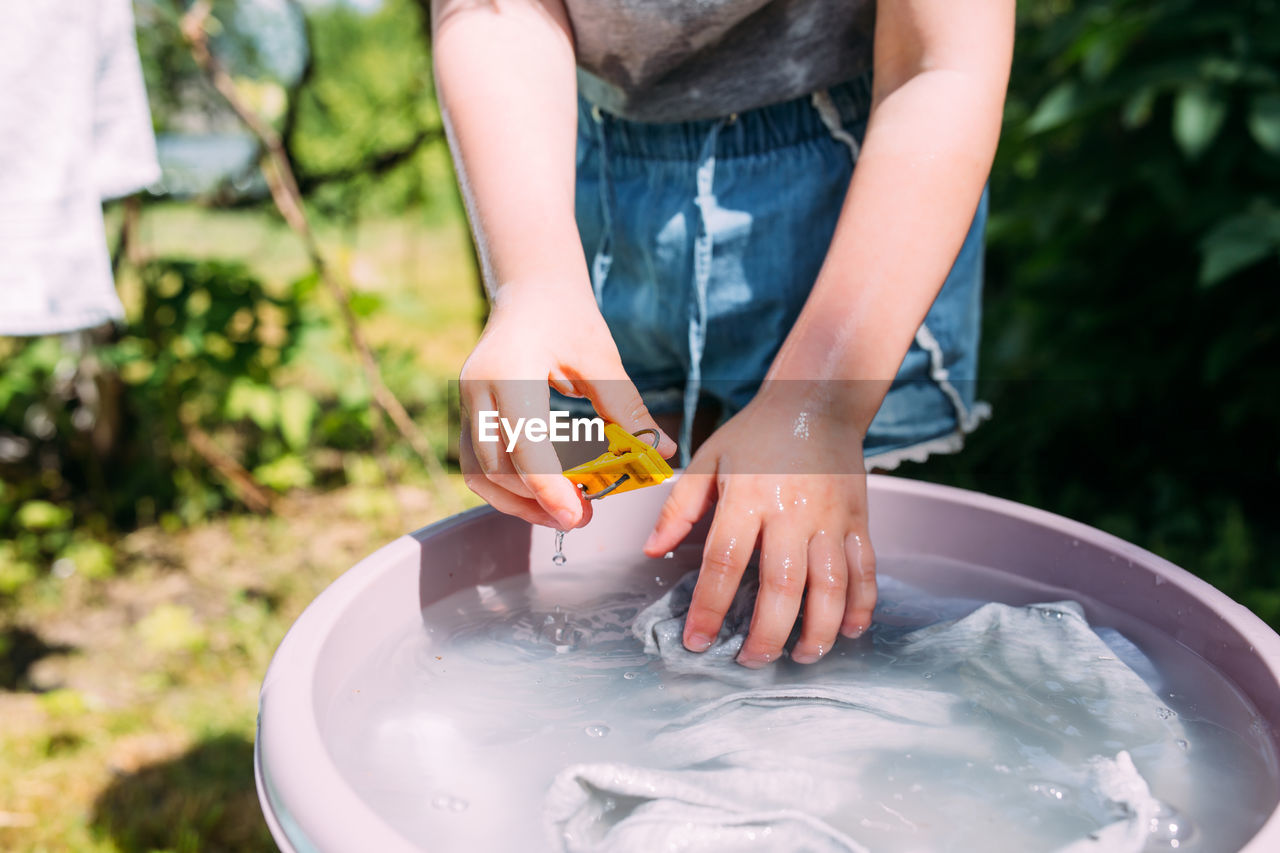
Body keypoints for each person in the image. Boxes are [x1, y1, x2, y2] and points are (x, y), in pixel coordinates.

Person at [435, 0, 1014, 667]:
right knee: (594, 566)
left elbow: (940, 66)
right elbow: (494, 11)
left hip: (857, 224)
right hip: (566, 194)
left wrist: (819, 401)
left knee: (821, 589)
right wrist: (531, 284)